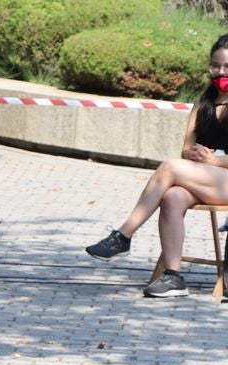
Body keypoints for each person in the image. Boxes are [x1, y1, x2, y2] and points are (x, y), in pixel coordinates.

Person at [85, 34, 228, 297]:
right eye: (216, 66)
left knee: (170, 168)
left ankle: (123, 235)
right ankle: (173, 277)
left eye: (227, 67)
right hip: (205, 177)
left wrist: (214, 160)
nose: (220, 72)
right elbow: (185, 147)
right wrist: (195, 154)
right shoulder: (203, 103)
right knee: (172, 196)